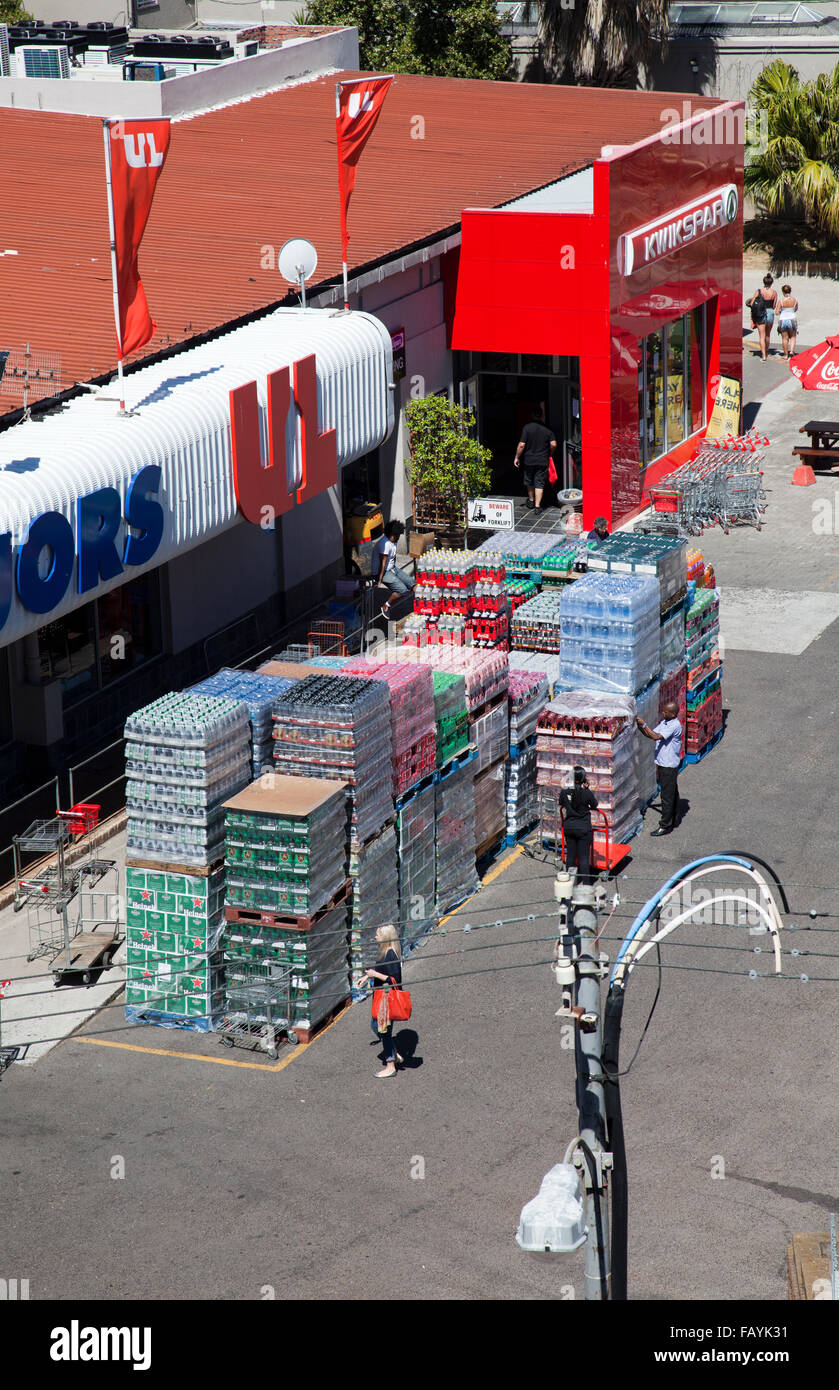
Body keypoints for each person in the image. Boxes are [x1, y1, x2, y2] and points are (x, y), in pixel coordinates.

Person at [357, 924, 404, 1079]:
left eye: (378, 934)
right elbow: (382, 972)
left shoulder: (391, 955)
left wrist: (374, 974)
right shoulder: (386, 952)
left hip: (387, 1000)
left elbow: (394, 980)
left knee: (383, 1030)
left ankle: (390, 1065)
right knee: (377, 1026)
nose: (375, 937)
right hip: (381, 998)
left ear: (385, 937)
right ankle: (393, 1053)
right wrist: (368, 976)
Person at [636, 701, 683, 836]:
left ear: (673, 714)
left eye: (666, 712)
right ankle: (674, 818)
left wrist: (644, 724)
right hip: (663, 763)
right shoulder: (665, 722)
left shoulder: (674, 725)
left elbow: (656, 736)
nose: (663, 713)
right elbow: (651, 734)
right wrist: (640, 727)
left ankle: (665, 825)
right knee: (672, 791)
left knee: (666, 796)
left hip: (668, 766)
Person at [559, 765, 599, 883]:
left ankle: (569, 884)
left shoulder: (565, 791)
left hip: (569, 827)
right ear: (583, 778)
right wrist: (587, 788)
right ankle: (586, 885)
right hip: (583, 828)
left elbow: (561, 802)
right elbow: (594, 804)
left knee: (570, 857)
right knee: (583, 858)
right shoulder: (586, 793)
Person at [514, 406, 556, 511]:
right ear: (542, 415)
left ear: (532, 415)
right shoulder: (548, 429)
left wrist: (517, 457)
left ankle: (531, 500)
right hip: (542, 460)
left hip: (529, 460)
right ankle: (538, 506)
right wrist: (550, 452)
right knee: (539, 482)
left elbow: (521, 445)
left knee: (529, 481)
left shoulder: (527, 428)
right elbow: (554, 444)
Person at [374, 520, 415, 619]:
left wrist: (397, 572)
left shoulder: (394, 542)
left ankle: (422, 605)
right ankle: (386, 606)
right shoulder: (385, 544)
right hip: (383, 572)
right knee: (402, 590)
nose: (399, 537)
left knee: (412, 583)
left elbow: (393, 557)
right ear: (393, 534)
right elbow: (382, 564)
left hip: (392, 568)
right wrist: (379, 581)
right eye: (398, 535)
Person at [746, 274, 778, 362]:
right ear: (772, 282)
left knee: (761, 336)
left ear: (764, 282)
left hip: (761, 313)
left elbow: (752, 304)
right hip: (770, 312)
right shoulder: (774, 292)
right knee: (768, 335)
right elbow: (774, 305)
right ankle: (767, 351)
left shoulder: (759, 291)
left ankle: (763, 355)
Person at [777, 284, 799, 359]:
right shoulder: (795, 300)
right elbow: (796, 309)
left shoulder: (781, 300)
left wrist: (781, 311)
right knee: (793, 336)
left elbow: (776, 312)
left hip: (783, 320)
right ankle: (792, 351)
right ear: (790, 291)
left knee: (784, 338)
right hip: (792, 319)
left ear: (783, 292)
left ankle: (785, 355)